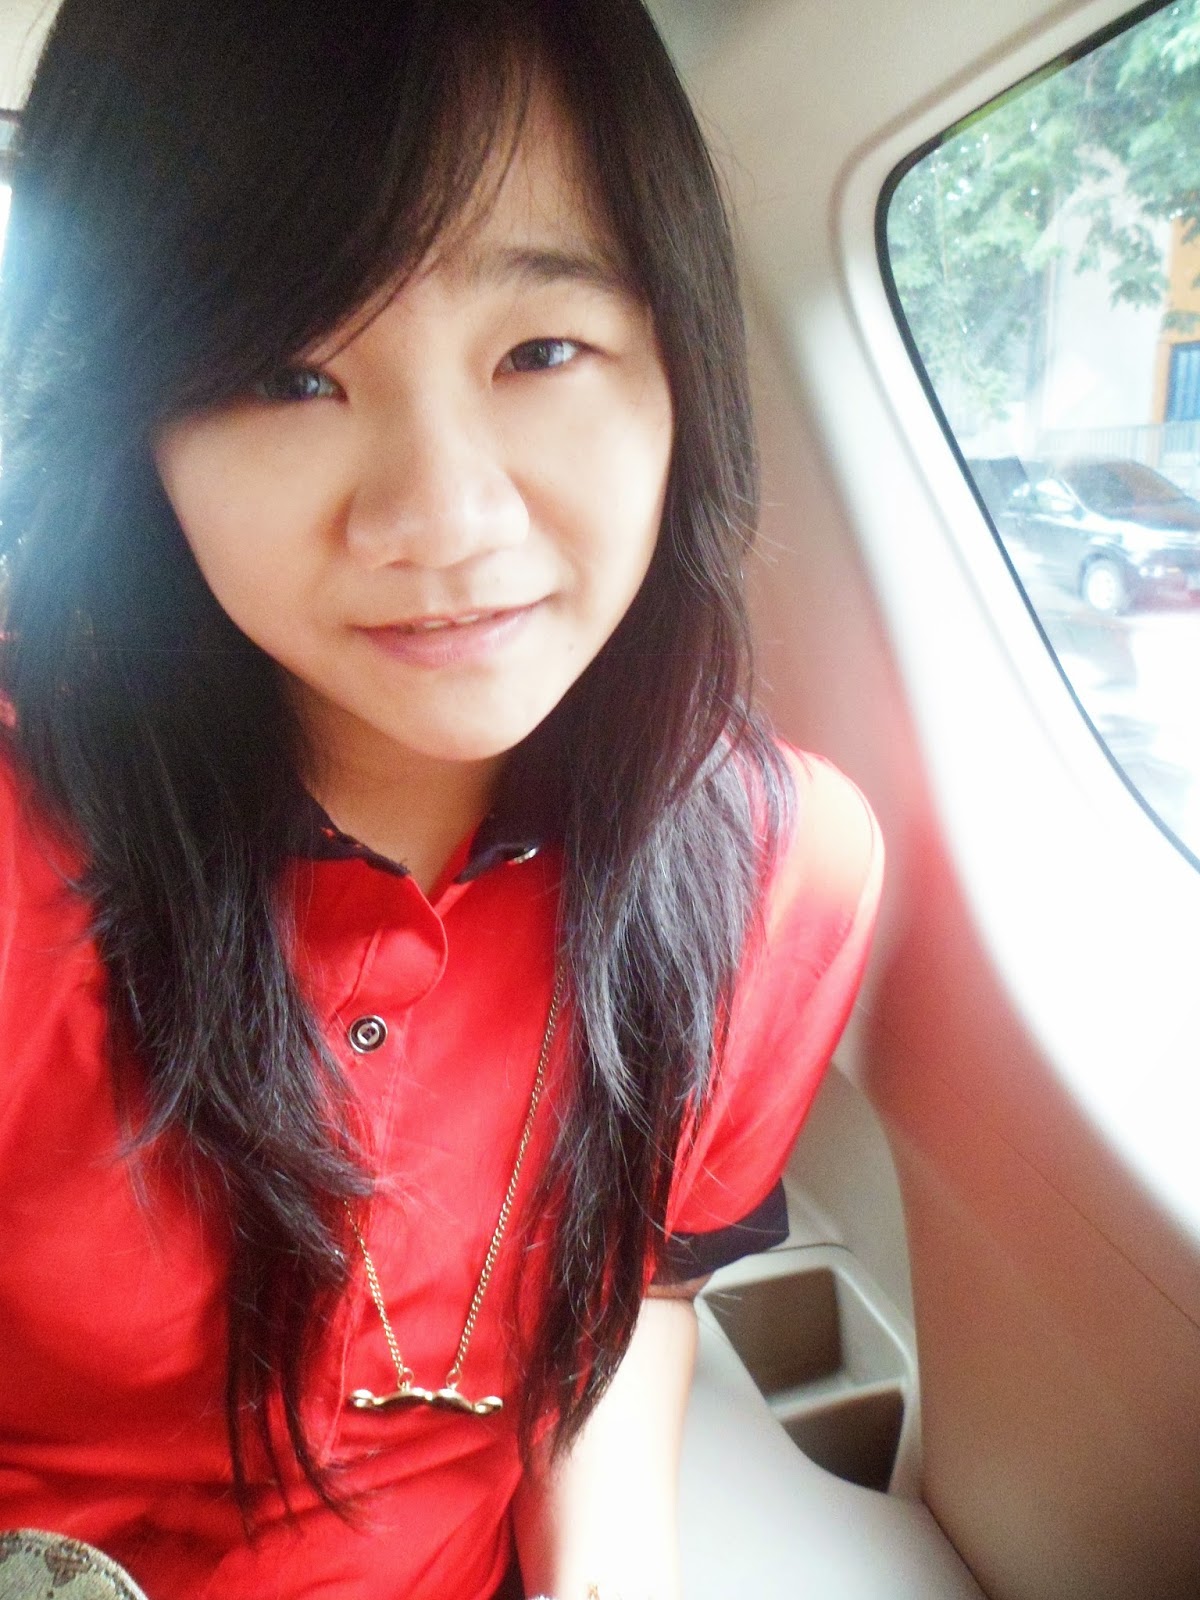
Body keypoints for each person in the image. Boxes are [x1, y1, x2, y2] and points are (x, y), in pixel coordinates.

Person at [0, 1, 884, 1597]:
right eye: (286, 374)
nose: (443, 517)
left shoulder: (776, 871)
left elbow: (641, 1294)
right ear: (140, 424)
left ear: (679, 360)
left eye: (540, 351)